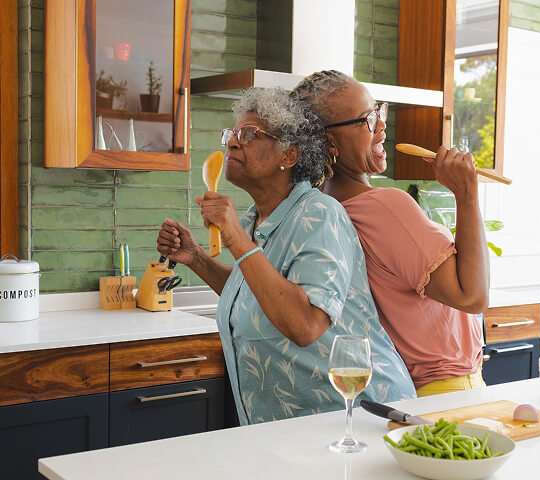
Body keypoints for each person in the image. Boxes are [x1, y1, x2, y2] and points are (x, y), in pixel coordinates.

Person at [155, 87, 415, 424]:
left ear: (289, 156)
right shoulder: (254, 221)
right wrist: (197, 258)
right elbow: (257, 295)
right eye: (232, 134)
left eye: (249, 134)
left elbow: (305, 325)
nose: (232, 143)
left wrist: (233, 238)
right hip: (296, 430)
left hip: (361, 419)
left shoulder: (320, 214)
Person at [292, 71, 490, 397]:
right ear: (329, 142)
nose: (382, 125)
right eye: (368, 119)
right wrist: (466, 194)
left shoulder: (320, 210)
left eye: (379, 111)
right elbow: (472, 296)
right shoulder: (384, 207)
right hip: (447, 392)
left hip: (404, 390)